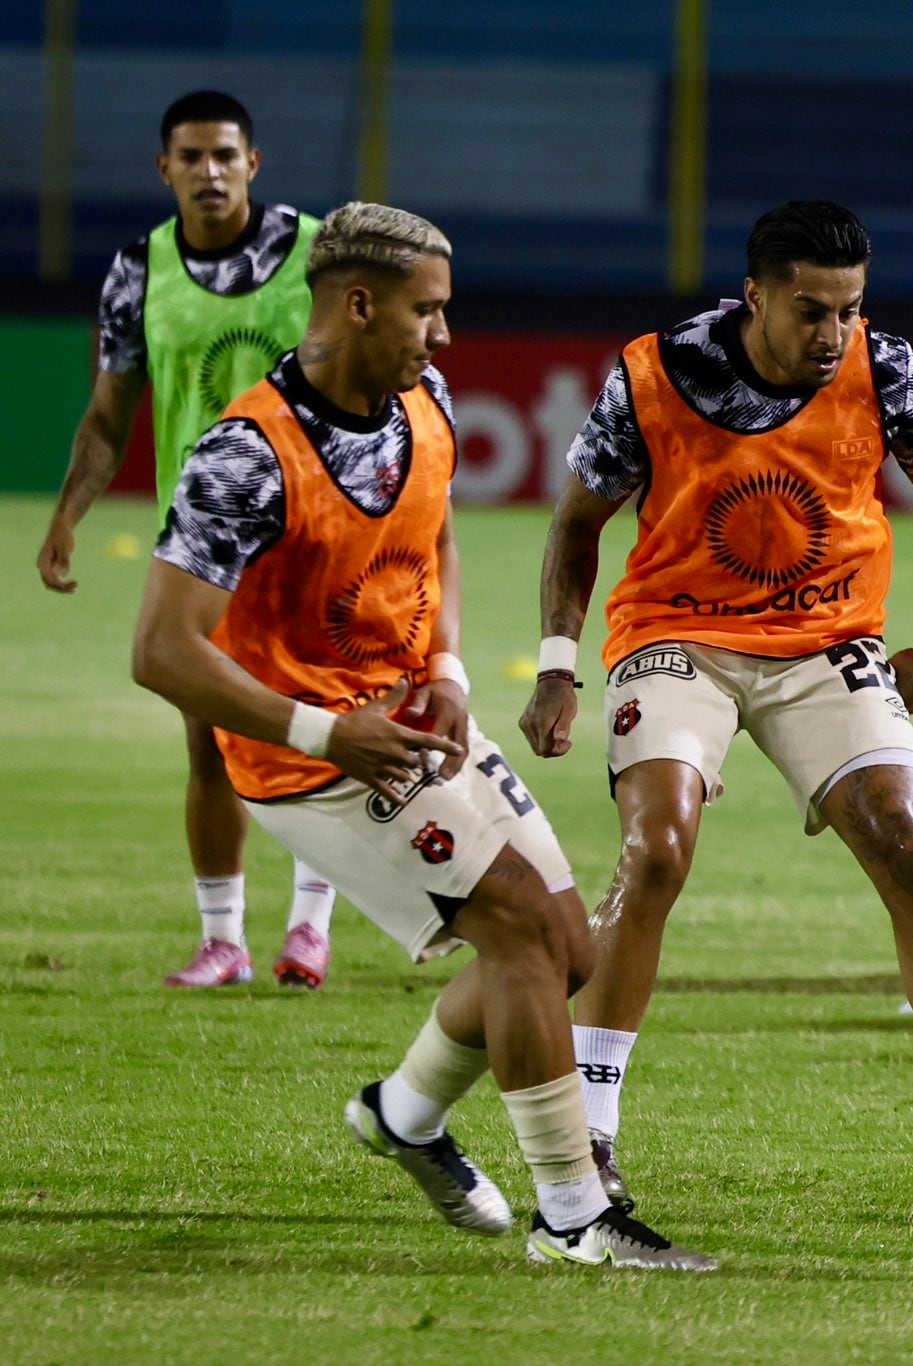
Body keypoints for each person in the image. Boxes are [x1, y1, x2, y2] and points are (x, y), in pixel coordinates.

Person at [131, 202, 715, 1270]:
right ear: (358, 304)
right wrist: (322, 727)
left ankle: (403, 1113)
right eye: (426, 311)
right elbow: (162, 651)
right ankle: (573, 1215)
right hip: (306, 758)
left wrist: (445, 669)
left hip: (406, 721)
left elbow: (434, 530)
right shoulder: (244, 456)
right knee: (521, 936)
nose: (445, 336)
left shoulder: (425, 399)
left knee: (569, 946)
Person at [519, 200, 913, 1208]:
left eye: (848, 310)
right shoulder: (655, 372)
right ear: (754, 295)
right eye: (810, 311)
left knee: (903, 837)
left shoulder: (886, 369)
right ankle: (587, 1128)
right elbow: (578, 519)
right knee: (658, 847)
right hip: (678, 638)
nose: (831, 334)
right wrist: (556, 665)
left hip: (825, 642)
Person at [35, 90, 339, 991]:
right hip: (202, 545)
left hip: (317, 531)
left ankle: (309, 931)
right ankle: (223, 941)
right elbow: (107, 415)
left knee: (318, 730)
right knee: (208, 739)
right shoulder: (138, 272)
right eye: (192, 157)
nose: (210, 172)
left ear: (254, 163)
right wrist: (67, 514)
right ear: (163, 169)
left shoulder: (319, 256)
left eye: (225, 156)